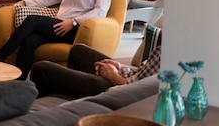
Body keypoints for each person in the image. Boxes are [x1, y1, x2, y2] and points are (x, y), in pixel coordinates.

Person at [30, 43, 161, 98]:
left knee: (42, 68)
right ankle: (73, 98)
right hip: (126, 75)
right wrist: (120, 65)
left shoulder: (169, 52)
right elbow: (144, 71)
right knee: (78, 50)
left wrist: (113, 75)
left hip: (120, 88)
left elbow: (142, 91)